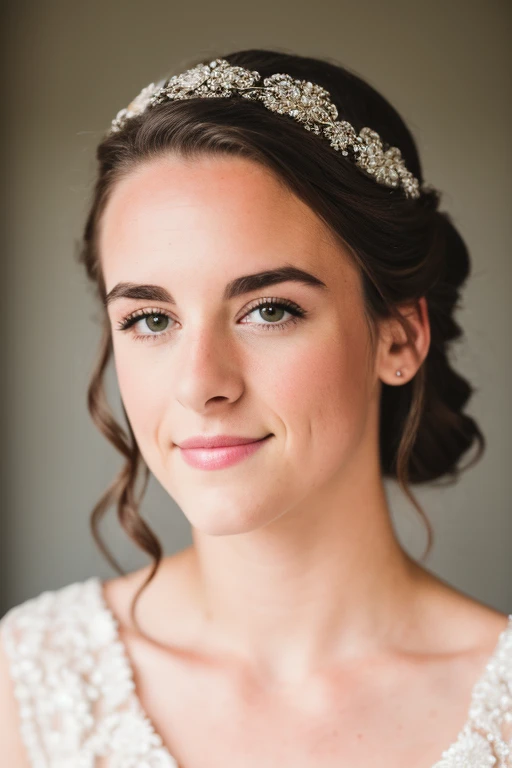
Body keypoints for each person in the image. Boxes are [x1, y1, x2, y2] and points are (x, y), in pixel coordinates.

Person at [0, 48, 510, 767]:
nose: (200, 384)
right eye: (151, 319)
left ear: (398, 334)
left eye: (268, 310)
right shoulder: (30, 685)